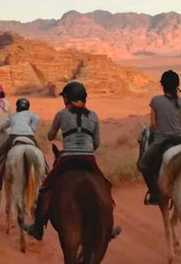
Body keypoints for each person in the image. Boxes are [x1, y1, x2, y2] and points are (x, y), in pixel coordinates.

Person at [22, 81, 120, 241]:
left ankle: (38, 227)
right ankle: (108, 227)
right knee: (106, 186)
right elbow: (97, 143)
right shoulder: (93, 115)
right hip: (88, 158)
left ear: (67, 98)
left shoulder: (61, 114)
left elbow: (50, 136)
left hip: (67, 158)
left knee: (45, 188)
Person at [139, 70, 181, 205]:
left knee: (143, 165)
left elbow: (153, 124)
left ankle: (154, 194)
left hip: (161, 140)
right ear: (177, 86)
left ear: (163, 85)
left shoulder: (156, 101)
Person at [0, 97, 41, 187]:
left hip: (14, 136)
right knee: (40, 153)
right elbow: (35, 124)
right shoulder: (33, 115)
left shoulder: (13, 116)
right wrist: (31, 129)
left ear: (17, 107)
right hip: (29, 135)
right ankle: (46, 173)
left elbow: (4, 126)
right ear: (28, 107)